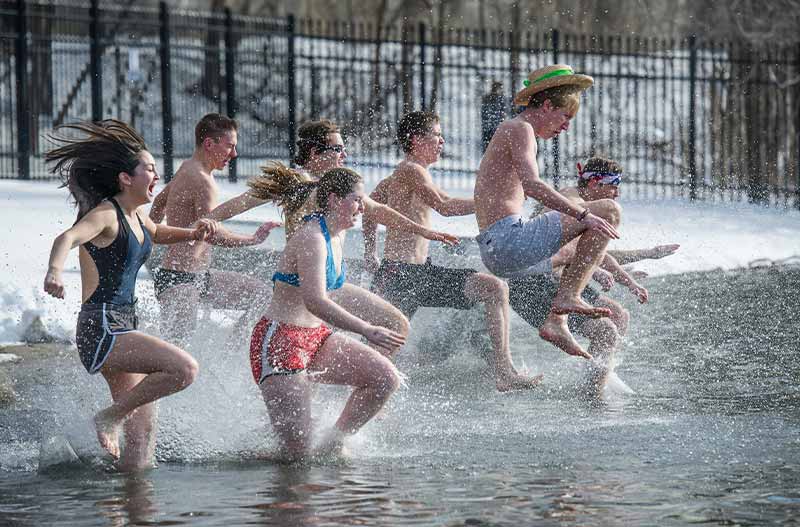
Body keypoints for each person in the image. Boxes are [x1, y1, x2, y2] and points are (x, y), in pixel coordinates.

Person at [42, 120, 218, 471]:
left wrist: (194, 232)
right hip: (102, 327)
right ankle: (107, 418)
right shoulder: (106, 214)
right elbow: (67, 238)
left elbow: (160, 232)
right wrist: (54, 272)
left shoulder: (134, 214)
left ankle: (131, 505)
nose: (157, 175)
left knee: (143, 430)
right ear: (126, 177)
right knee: (184, 369)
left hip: (122, 324)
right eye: (150, 169)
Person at [209, 119, 459, 355]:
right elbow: (242, 202)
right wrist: (208, 220)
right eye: (338, 149)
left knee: (396, 323)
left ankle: (364, 383)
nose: (344, 155)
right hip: (302, 288)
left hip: (333, 283)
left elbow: (379, 210)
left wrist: (424, 231)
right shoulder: (296, 183)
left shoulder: (340, 186)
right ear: (316, 153)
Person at [365, 111, 542, 391]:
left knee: (493, 288)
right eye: (436, 135)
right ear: (415, 139)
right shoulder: (410, 170)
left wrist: (369, 251)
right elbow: (444, 206)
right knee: (378, 350)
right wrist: (494, 201)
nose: (442, 141)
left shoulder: (398, 175)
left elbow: (370, 205)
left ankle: (503, 369)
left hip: (416, 273)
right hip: (399, 275)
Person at [249, 167, 405, 460]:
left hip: (316, 338)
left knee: (384, 378)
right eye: (357, 200)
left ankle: (334, 442)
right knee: (297, 458)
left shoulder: (336, 236)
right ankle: (232, 463)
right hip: (280, 343)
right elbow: (316, 301)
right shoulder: (312, 238)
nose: (362, 208)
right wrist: (366, 329)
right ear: (333, 200)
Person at [474, 63, 622, 361]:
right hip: (508, 242)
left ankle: (559, 317)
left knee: (580, 241)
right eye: (565, 116)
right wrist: (582, 215)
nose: (566, 126)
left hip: (499, 251)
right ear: (545, 105)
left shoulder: (513, 131)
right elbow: (532, 184)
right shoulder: (520, 128)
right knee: (608, 210)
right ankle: (564, 304)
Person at [507, 157, 680, 394]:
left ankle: (597, 372)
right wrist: (604, 272)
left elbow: (595, 254)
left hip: (557, 282)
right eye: (614, 185)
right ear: (594, 183)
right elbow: (561, 253)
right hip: (530, 285)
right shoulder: (569, 203)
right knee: (606, 331)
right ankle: (592, 396)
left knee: (619, 315)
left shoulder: (584, 212)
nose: (616, 194)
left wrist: (646, 256)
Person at [148, 113, 281, 345]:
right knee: (176, 353)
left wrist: (148, 236)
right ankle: (229, 350)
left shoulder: (187, 168)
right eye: (230, 146)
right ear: (209, 144)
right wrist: (252, 239)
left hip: (195, 277)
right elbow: (211, 233)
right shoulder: (203, 181)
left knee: (263, 296)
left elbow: (159, 202)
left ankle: (230, 350)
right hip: (180, 281)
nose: (234, 154)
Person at [481, 81, 508, 153]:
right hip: (490, 125)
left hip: (494, 125)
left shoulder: (500, 98)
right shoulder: (491, 98)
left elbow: (503, 112)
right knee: (489, 146)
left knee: (493, 147)